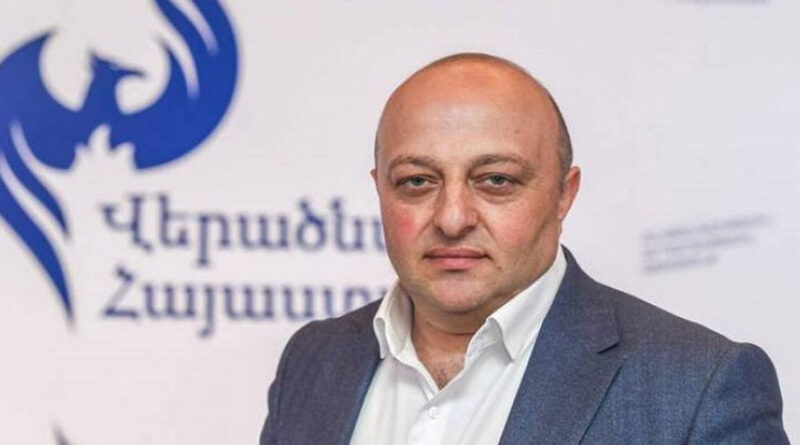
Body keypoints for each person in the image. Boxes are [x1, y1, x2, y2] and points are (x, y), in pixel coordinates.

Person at [259, 53, 788, 444]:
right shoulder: (316, 359)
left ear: (563, 195)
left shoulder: (699, 386)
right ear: (380, 189)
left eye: (496, 181)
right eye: (417, 182)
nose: (452, 218)